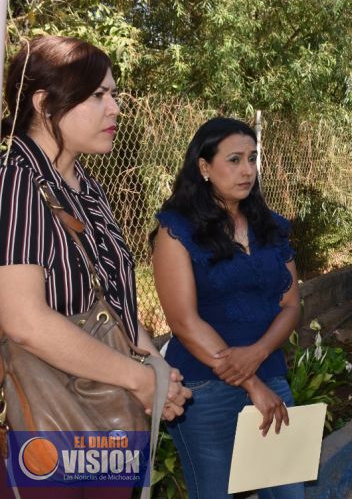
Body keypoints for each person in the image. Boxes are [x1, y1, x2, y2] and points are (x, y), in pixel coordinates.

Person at [0, 35, 191, 499]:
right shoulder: (18, 183)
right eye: (98, 95)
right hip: (43, 424)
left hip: (105, 418)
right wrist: (139, 378)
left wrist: (158, 370)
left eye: (114, 94)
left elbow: (110, 301)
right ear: (44, 103)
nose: (115, 109)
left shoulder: (85, 187)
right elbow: (23, 321)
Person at [150, 117, 304, 499]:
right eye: (234, 160)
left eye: (252, 158)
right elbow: (183, 322)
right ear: (204, 167)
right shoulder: (176, 231)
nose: (248, 170)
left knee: (288, 493)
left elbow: (290, 304)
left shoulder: (270, 227)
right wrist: (250, 382)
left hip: (271, 376)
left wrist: (259, 354)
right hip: (204, 389)